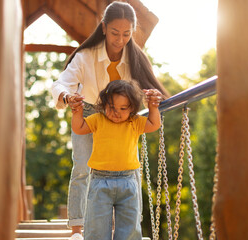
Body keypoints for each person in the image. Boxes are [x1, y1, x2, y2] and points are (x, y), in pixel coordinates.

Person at [51, 2, 169, 239]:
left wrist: (155, 98)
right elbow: (61, 83)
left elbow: (154, 92)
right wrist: (67, 96)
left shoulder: (135, 57)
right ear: (104, 28)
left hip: (122, 116)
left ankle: (129, 224)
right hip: (89, 111)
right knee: (84, 165)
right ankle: (77, 227)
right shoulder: (86, 56)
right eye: (115, 32)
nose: (120, 39)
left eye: (127, 34)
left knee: (128, 167)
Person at [69, 80, 162, 240]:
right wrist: (77, 112)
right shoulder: (98, 119)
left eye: (123, 108)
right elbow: (79, 128)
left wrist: (153, 107)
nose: (116, 112)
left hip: (128, 181)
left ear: (132, 108)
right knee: (96, 228)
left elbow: (154, 124)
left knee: (129, 228)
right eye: (111, 107)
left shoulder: (134, 122)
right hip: (99, 181)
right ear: (104, 104)